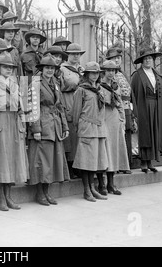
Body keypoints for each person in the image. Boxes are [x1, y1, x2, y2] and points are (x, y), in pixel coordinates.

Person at [0, 52, 29, 211]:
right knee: (1, 161)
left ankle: (9, 196)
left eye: (10, 67)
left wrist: (23, 126)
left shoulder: (15, 85)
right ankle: (1, 198)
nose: (8, 70)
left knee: (12, 160)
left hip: (14, 124)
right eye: (5, 67)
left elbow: (21, 110)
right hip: (1, 123)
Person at [28, 54, 70, 206]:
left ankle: (47, 191)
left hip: (55, 125)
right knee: (41, 162)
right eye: (47, 68)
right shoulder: (35, 84)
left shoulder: (56, 83)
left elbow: (60, 106)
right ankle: (40, 193)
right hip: (43, 124)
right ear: (42, 69)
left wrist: (64, 125)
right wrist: (36, 129)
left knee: (51, 161)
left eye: (52, 68)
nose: (50, 71)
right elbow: (32, 106)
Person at [131, 46, 162, 173]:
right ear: (142, 61)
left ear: (153, 60)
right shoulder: (137, 75)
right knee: (145, 134)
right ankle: (143, 162)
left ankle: (150, 162)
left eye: (150, 58)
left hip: (157, 106)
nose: (148, 61)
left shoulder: (157, 75)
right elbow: (133, 94)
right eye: (145, 59)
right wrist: (134, 111)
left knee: (154, 133)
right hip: (144, 106)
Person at [72, 62, 109, 202]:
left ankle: (93, 188)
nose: (95, 75)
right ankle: (86, 190)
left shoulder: (99, 89)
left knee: (94, 161)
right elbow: (76, 113)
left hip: (99, 129)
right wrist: (79, 127)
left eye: (97, 73)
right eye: (92, 73)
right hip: (87, 128)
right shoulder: (81, 90)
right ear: (86, 74)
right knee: (85, 162)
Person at [97, 60, 130, 196]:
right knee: (103, 150)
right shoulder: (98, 85)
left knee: (114, 150)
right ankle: (101, 184)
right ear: (103, 71)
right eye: (108, 70)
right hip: (103, 116)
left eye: (113, 70)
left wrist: (122, 119)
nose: (111, 73)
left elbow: (120, 103)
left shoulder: (116, 86)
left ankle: (111, 183)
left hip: (114, 118)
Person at [106, 44, 134, 174]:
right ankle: (117, 165)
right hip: (116, 108)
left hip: (127, 107)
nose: (117, 60)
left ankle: (127, 163)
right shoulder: (109, 75)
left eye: (118, 58)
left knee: (127, 133)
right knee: (118, 135)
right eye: (114, 58)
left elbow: (129, 91)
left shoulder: (122, 73)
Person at [60, 43, 85, 179]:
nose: (76, 56)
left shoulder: (82, 69)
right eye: (73, 54)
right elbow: (61, 86)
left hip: (81, 103)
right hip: (68, 101)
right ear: (67, 55)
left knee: (79, 136)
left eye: (78, 54)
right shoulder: (62, 69)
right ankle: (70, 168)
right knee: (70, 138)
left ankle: (79, 166)